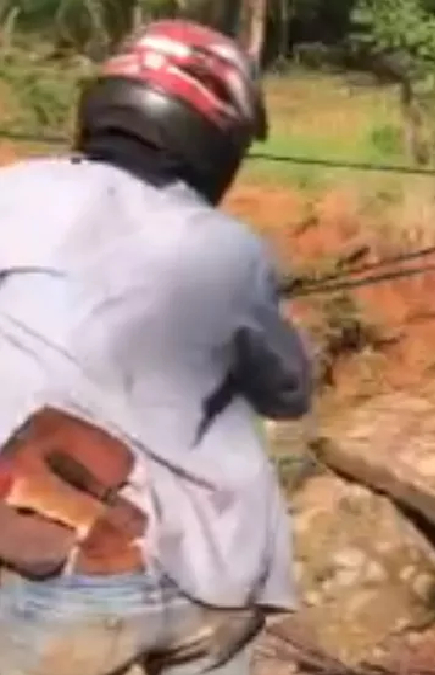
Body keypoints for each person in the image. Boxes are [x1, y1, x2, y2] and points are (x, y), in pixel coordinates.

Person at [0, 20, 312, 675]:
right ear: (215, 142)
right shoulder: (230, 248)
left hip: (53, 563)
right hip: (214, 575)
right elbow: (290, 393)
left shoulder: (14, 193)